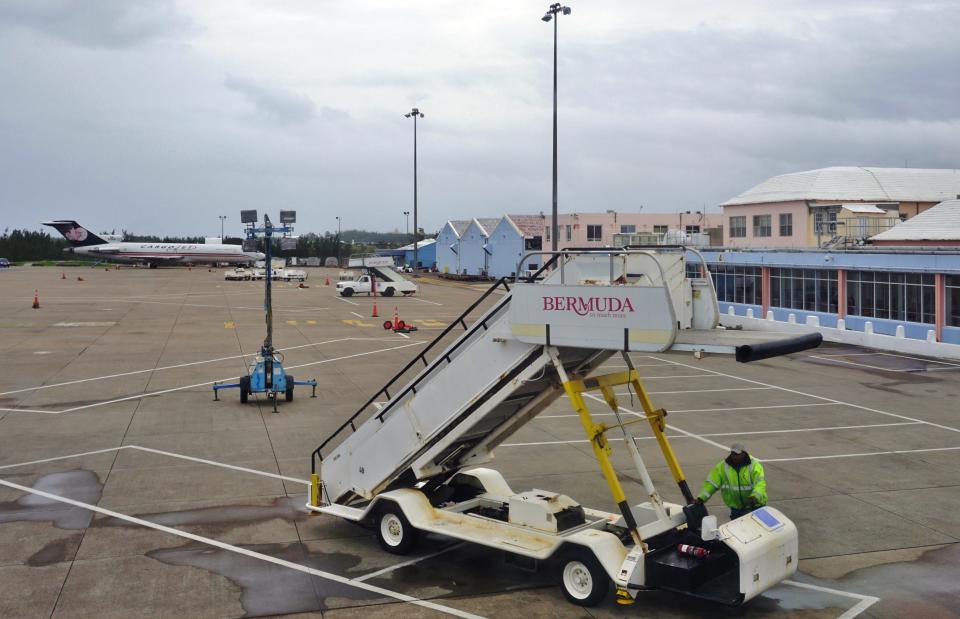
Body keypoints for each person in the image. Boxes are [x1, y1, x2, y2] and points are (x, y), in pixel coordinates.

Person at [695, 442, 767, 519]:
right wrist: (701, 498)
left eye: (737, 454)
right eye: (733, 454)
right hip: (737, 509)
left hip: (756, 507)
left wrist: (755, 496)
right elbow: (712, 483)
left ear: (744, 453)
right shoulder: (722, 467)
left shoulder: (754, 466)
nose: (734, 457)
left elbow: (760, 483)